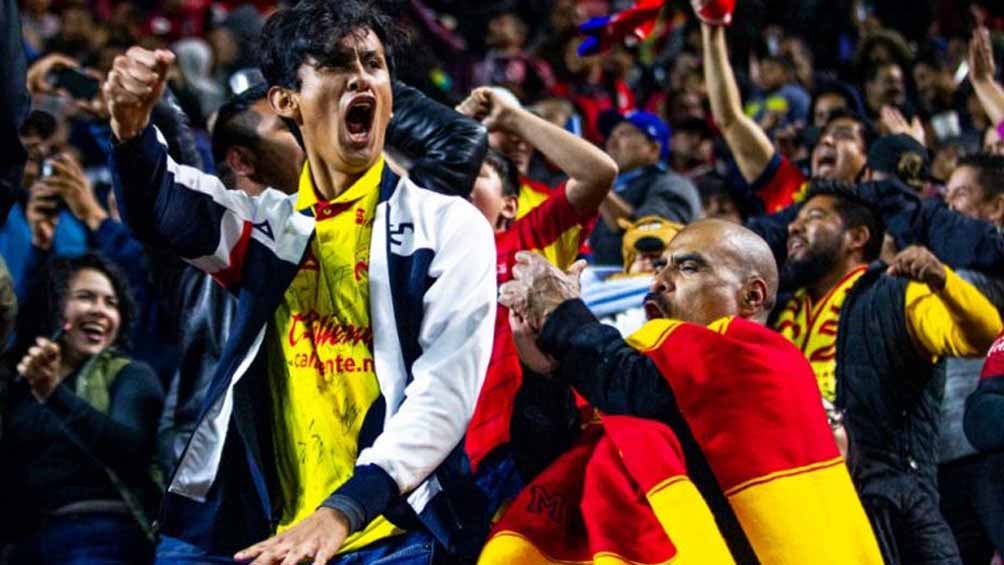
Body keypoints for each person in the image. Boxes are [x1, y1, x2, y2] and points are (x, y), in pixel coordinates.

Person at [104, 1, 497, 563]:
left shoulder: (446, 226)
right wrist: (129, 127)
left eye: (374, 63)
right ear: (286, 101)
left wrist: (344, 511)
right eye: (337, 64)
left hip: (394, 535)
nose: (361, 75)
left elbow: (443, 395)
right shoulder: (269, 228)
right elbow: (161, 205)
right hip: (274, 535)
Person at [488, 219, 882, 564]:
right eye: (660, 267)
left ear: (753, 296)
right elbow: (548, 466)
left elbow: (647, 397)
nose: (660, 281)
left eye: (688, 267)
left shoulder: (768, 363)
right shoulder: (637, 371)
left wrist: (564, 316)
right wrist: (546, 377)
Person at [773, 182, 1002, 564]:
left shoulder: (896, 293)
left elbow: (981, 337)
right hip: (806, 508)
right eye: (794, 220)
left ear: (857, 237)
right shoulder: (778, 312)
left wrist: (943, 282)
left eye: (813, 217)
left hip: (894, 510)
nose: (794, 227)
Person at [456, 85, 615, 477]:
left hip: (533, 437)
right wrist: (451, 127)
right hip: (450, 453)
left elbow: (599, 172)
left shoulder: (526, 241)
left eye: (475, 175)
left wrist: (512, 118)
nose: (456, 184)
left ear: (509, 205)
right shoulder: (419, 254)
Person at [0, 253, 163, 564]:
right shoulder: (17, 383)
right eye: (86, 297)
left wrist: (53, 394)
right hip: (24, 542)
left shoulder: (130, 374)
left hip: (101, 532)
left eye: (111, 303)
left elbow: (132, 451)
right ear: (54, 306)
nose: (101, 311)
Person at [698, 4, 873, 213]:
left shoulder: (880, 210)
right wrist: (711, 27)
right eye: (823, 134)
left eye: (843, 134)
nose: (826, 140)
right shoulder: (790, 184)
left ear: (867, 162)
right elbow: (730, 119)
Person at [588, 109, 701, 265]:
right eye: (612, 135)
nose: (612, 142)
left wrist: (597, 186)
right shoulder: (615, 187)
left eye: (625, 134)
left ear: (653, 149)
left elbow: (650, 237)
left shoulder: (673, 183)